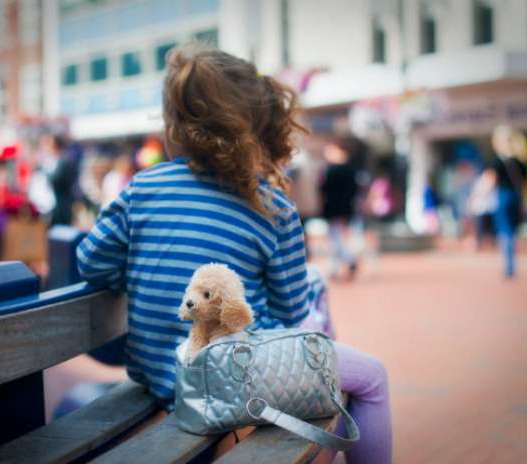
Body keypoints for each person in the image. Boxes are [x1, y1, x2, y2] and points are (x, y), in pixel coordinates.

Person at [76, 44, 391, 464]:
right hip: (238, 381)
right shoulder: (271, 205)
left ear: (173, 127)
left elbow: (90, 262)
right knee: (371, 378)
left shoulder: (143, 188)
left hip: (159, 377)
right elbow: (292, 313)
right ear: (254, 126)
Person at [480, 125, 527, 278]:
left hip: (503, 197)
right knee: (512, 233)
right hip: (517, 197)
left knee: (505, 232)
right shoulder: (521, 161)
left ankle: (509, 267)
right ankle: (512, 264)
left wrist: (478, 197)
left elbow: (489, 181)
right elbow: (526, 185)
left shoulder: (496, 161)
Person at [320, 140, 359, 280]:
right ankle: (334, 268)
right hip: (345, 209)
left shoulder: (332, 170)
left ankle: (348, 260)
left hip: (334, 209)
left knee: (335, 238)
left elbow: (324, 190)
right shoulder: (351, 169)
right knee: (336, 238)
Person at [39, 134, 76, 226]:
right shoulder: (52, 160)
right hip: (51, 206)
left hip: (61, 207)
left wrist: (44, 173)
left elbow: (57, 179)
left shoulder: (64, 160)